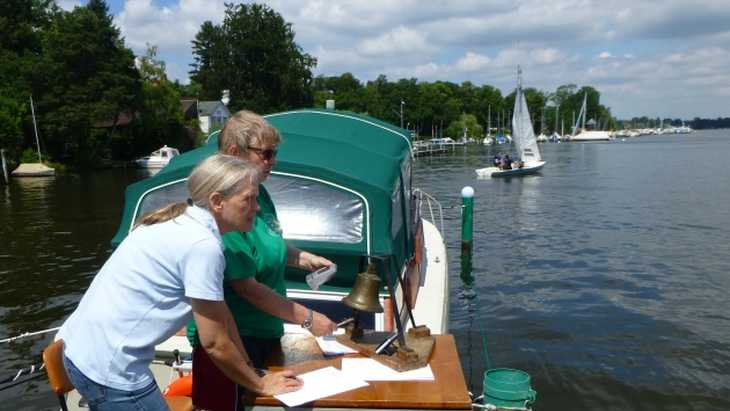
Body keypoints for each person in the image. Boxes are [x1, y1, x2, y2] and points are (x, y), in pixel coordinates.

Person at [57, 155, 302, 411]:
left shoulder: (181, 221)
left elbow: (222, 316)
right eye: (248, 199)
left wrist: (251, 370)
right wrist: (261, 386)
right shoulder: (202, 246)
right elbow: (214, 342)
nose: (257, 207)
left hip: (81, 351)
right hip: (111, 370)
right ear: (217, 202)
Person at [187, 110, 338, 411]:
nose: (273, 161)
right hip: (233, 339)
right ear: (233, 153)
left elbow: (268, 242)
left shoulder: (257, 194)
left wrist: (303, 257)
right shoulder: (222, 212)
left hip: (266, 332)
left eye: (275, 153)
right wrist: (309, 319)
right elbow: (246, 287)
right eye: (266, 154)